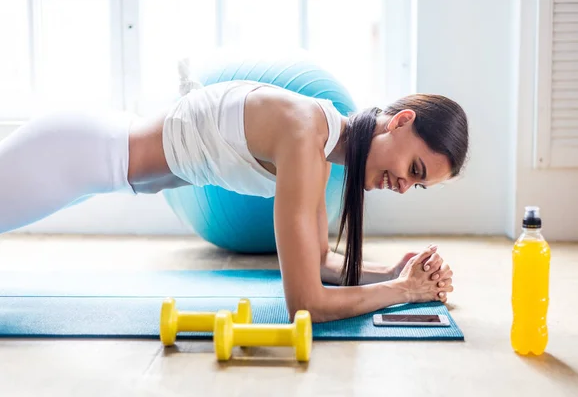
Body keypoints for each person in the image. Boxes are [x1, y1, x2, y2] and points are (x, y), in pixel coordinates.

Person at [0, 65, 469, 323]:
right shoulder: (306, 135)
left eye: (417, 185)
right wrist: (402, 290)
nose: (404, 186)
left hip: (93, 163)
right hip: (74, 155)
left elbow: (321, 263)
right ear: (402, 121)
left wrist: (389, 272)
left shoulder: (321, 143)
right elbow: (306, 302)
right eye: (414, 168)